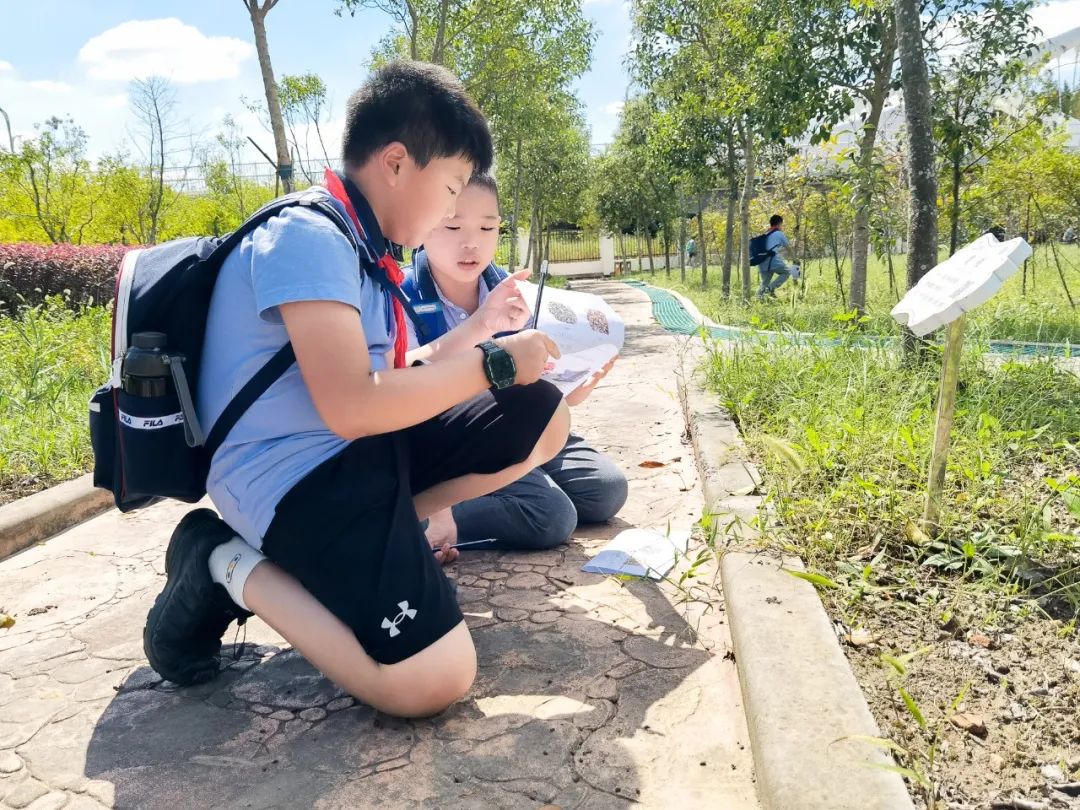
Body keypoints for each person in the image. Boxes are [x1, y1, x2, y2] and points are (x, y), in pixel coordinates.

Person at [142, 61, 570, 719]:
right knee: (433, 680)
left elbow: (398, 376)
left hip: (355, 451)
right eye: (452, 186)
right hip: (291, 477)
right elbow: (351, 402)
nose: (454, 211)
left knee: (540, 414)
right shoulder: (308, 237)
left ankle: (376, 539)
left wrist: (497, 357)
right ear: (397, 163)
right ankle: (222, 560)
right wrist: (494, 365)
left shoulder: (364, 252)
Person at [402, 174, 628, 552]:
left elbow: (541, 382)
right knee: (553, 516)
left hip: (526, 424)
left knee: (606, 491)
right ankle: (438, 521)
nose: (471, 242)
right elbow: (405, 385)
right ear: (424, 225)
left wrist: (575, 387)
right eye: (453, 225)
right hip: (466, 439)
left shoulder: (515, 290)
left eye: (487, 227)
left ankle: (521, 480)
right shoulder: (403, 296)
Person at [757, 214, 798, 300]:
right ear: (779, 223)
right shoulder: (779, 233)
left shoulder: (766, 233)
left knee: (765, 282)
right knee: (786, 272)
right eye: (781, 224)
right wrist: (794, 259)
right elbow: (788, 247)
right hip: (772, 260)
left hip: (761, 260)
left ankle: (759, 299)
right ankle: (770, 289)